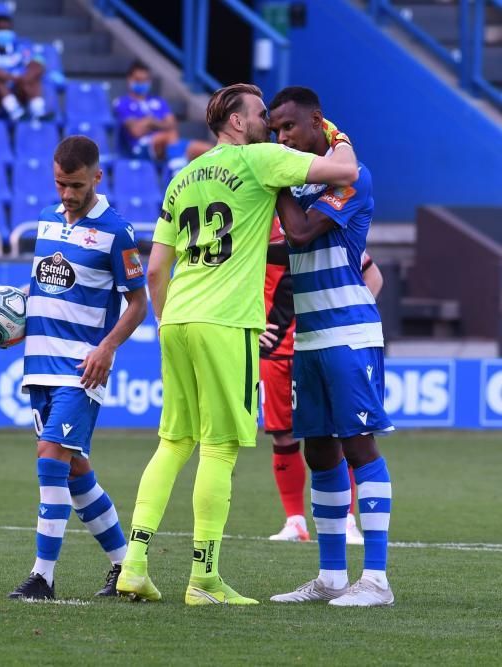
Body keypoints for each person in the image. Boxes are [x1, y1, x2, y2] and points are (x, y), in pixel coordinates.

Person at [115, 83, 359, 605]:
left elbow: (156, 268)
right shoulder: (259, 159)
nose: (269, 122)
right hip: (226, 323)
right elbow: (346, 172)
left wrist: (165, 323)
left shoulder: (181, 178)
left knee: (173, 442)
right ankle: (204, 579)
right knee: (220, 447)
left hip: (178, 318)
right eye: (261, 113)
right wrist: (335, 130)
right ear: (238, 122)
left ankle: (133, 566)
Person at [0, 135, 148, 600]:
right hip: (38, 366)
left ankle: (42, 577)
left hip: (81, 369)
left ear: (97, 177)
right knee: (75, 469)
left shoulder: (117, 231)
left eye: (75, 185)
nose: (67, 194)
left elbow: (138, 304)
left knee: (51, 458)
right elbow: (43, 291)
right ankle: (125, 566)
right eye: (60, 184)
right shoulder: (46, 221)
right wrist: (11, 331)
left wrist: (107, 348)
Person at [267, 86, 395, 607]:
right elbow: (284, 244)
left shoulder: (353, 178)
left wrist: (269, 173)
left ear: (317, 122)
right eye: (275, 132)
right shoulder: (303, 183)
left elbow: (298, 234)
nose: (282, 138)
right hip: (311, 338)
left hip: (349, 332)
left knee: (359, 446)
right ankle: (332, 576)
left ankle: (378, 580)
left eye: (289, 129)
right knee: (320, 450)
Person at [262, 214, 383, 545]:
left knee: (340, 435)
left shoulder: (318, 224)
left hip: (322, 347)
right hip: (276, 351)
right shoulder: (259, 223)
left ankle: (346, 521)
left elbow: (372, 275)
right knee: (282, 437)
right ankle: (295, 521)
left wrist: (350, 317)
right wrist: (255, 323)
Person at [113, 60, 211, 178]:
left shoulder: (159, 101)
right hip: (139, 149)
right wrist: (159, 123)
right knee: (169, 135)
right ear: (130, 79)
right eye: (138, 80)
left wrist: (150, 122)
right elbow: (136, 132)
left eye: (145, 80)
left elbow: (172, 124)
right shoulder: (122, 103)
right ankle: (177, 174)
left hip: (168, 144)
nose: (142, 83)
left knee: (209, 150)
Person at [0, 14, 47, 122]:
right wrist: (14, 78)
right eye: (1, 29)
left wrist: (26, 76)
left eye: (7, 29)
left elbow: (38, 63)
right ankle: (15, 112)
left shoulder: (18, 47)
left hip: (15, 92)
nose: (5, 33)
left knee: (33, 74)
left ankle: (38, 111)